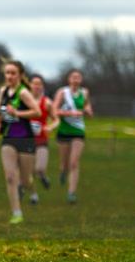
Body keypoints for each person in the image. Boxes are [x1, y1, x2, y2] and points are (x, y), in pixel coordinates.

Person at [0, 60, 41, 224]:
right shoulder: (3, 91)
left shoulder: (23, 93)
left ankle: (31, 189)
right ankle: (16, 212)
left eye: (13, 73)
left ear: (20, 75)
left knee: (26, 180)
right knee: (11, 177)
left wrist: (17, 112)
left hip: (25, 139)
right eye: (7, 73)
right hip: (8, 139)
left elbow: (37, 111)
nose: (9, 76)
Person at [53, 69, 93, 204]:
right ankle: (63, 172)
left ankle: (71, 193)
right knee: (64, 164)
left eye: (78, 77)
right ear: (69, 79)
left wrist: (87, 112)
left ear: (81, 79)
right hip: (64, 131)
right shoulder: (62, 92)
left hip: (78, 132)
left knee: (74, 162)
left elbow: (89, 111)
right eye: (73, 77)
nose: (75, 79)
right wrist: (69, 114)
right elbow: (54, 110)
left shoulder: (85, 92)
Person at [29, 74, 60, 194]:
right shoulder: (25, 101)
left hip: (42, 140)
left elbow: (56, 119)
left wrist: (50, 127)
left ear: (42, 86)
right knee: (29, 170)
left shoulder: (47, 102)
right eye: (34, 83)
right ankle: (33, 195)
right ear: (30, 85)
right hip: (27, 140)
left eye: (39, 84)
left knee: (39, 169)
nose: (37, 86)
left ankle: (43, 177)